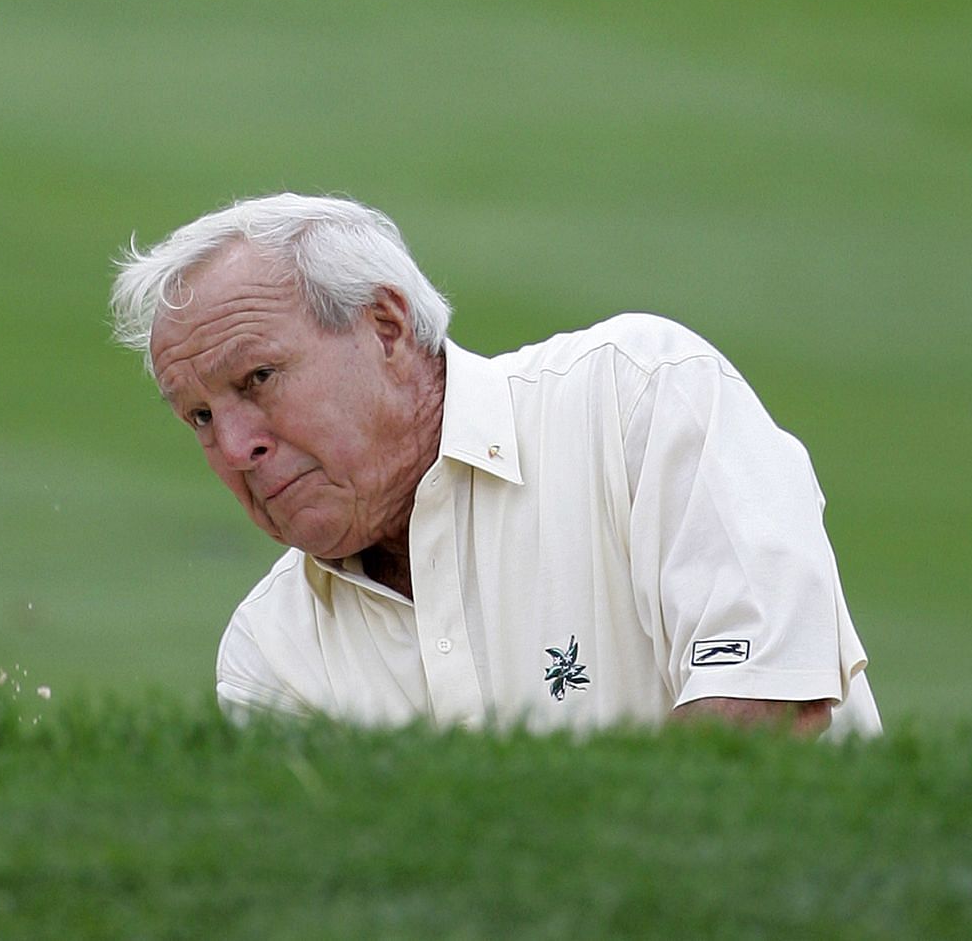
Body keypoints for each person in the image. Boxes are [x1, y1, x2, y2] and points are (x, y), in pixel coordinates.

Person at [110, 193, 880, 736]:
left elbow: (771, 702)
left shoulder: (636, 392)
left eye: (258, 380)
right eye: (200, 418)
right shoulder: (268, 654)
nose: (235, 446)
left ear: (385, 326)